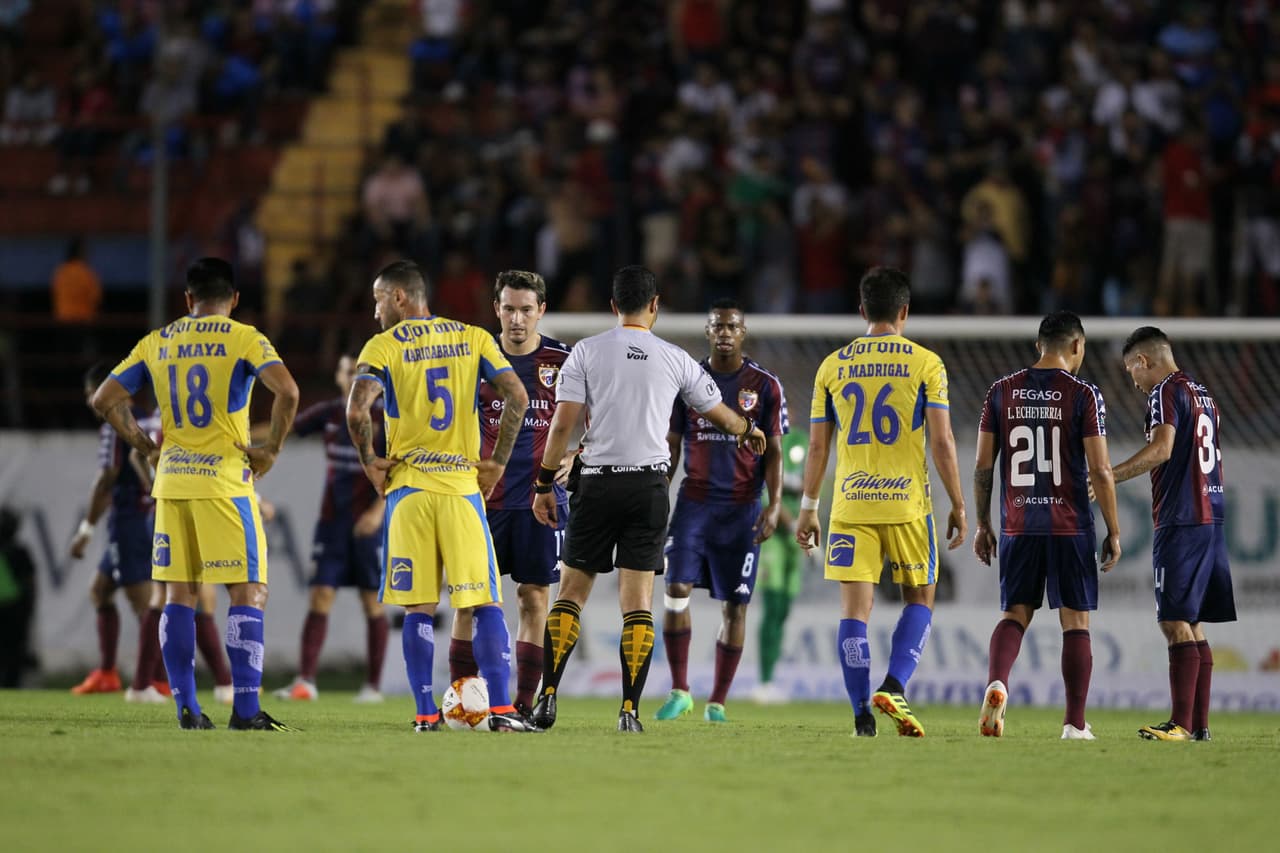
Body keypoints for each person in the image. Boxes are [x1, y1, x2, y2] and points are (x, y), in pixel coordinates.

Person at [529, 265, 767, 733]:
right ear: (655, 306)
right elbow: (719, 413)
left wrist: (542, 484)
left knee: (570, 596)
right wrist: (748, 429)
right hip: (649, 488)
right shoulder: (675, 358)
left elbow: (562, 425)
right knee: (636, 604)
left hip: (596, 483)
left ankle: (548, 698)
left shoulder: (586, 352)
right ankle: (629, 712)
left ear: (614, 306)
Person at [91, 257, 300, 731]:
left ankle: (187, 707)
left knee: (178, 595)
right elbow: (287, 391)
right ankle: (246, 712)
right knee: (248, 590)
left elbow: (104, 399)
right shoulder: (245, 337)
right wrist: (269, 451)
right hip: (225, 484)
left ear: (188, 300)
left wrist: (144, 444)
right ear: (235, 299)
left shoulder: (158, 341)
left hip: (172, 486)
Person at [346, 259, 535, 733]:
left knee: (419, 609)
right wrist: (497, 463)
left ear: (399, 298)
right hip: (459, 488)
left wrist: (370, 460)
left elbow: (356, 411)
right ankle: (503, 711)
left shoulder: (383, 346)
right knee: (486, 601)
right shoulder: (474, 337)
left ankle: (426, 713)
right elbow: (518, 396)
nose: (375, 314)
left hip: (408, 489)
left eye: (377, 301)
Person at [796, 266, 967, 738]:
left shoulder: (832, 366)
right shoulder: (927, 364)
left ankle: (861, 717)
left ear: (862, 310)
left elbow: (817, 448)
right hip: (907, 503)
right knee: (920, 596)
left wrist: (809, 507)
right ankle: (894, 685)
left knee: (854, 612)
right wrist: (958, 502)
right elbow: (943, 441)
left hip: (850, 505)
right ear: (905, 312)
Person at [972, 311, 1121, 741]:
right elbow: (1101, 469)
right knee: (1075, 622)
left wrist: (983, 522)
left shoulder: (999, 392)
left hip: (1019, 525)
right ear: (1076, 347)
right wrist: (1113, 528)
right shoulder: (1084, 394)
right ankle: (1074, 723)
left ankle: (998, 680)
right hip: (1069, 523)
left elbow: (984, 466)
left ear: (1040, 346)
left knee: (1014, 614)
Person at [448, 270, 573, 721]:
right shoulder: (473, 359)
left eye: (525, 309)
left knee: (533, 598)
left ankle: (519, 705)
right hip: (481, 499)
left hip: (539, 500)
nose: (517, 319)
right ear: (495, 310)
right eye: (508, 309)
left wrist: (582, 452)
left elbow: (602, 408)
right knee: (471, 600)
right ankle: (460, 698)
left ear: (542, 310)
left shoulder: (564, 359)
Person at [655, 298, 786, 723]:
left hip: (742, 507)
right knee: (675, 592)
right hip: (693, 503)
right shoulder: (688, 380)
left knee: (735, 606)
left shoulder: (765, 385)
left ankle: (718, 701)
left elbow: (775, 452)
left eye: (732, 326)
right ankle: (680, 690)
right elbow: (672, 443)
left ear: (743, 332)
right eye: (717, 326)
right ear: (708, 332)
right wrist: (660, 491)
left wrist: (774, 504)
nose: (725, 333)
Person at [1113, 327, 1235, 741]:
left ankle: (1181, 723)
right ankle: (1199, 726)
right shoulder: (1204, 394)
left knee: (1173, 620)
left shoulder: (1164, 392)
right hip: (1211, 515)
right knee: (1193, 622)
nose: (1134, 382)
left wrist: (1110, 476)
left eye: (1133, 372)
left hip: (1181, 517)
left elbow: (1162, 449)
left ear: (1144, 361)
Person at [273, 355, 389, 704]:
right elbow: (285, 427)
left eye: (359, 371)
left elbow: (399, 469)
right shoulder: (329, 413)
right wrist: (245, 438)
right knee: (320, 596)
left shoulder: (386, 417)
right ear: (339, 377)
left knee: (373, 602)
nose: (352, 375)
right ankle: (306, 680)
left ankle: (373, 687)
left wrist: (378, 511)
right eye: (346, 370)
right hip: (332, 522)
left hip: (368, 522)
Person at [68, 362, 163, 700]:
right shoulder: (146, 416)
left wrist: (85, 529)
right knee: (100, 591)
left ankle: (160, 679)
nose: (89, 401)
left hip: (130, 520)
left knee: (146, 604)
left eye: (90, 393)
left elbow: (107, 476)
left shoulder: (114, 419)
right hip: (138, 517)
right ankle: (108, 672)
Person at [752, 421, 812, 704]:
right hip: (773, 538)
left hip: (795, 539)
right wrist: (789, 523)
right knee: (772, 606)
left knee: (785, 609)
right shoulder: (763, 443)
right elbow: (765, 493)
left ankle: (771, 678)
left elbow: (812, 490)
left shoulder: (803, 442)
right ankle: (764, 681)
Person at [0, 506, 37, 688]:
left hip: (14, 612)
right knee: (14, 655)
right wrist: (29, 610)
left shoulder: (18, 553)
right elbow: (30, 585)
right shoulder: (19, 552)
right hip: (16, 611)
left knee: (12, 655)